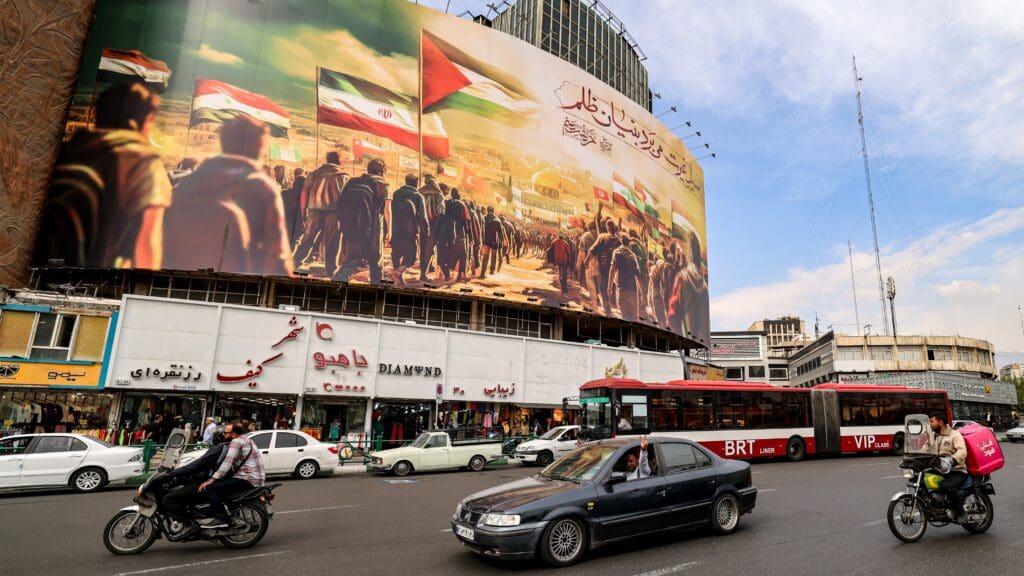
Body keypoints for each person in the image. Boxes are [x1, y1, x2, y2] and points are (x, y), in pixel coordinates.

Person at [37, 82, 172, 269]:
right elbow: (148, 243)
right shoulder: (143, 162)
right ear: (146, 119)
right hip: (99, 275)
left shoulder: (66, 150)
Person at [164, 115, 293, 276]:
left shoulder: (186, 184)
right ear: (258, 147)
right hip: (241, 282)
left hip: (178, 276)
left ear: (224, 142)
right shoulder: (263, 189)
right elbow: (278, 252)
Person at [198, 421, 265, 529]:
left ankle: (221, 518)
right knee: (222, 484)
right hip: (255, 478)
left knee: (210, 488)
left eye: (226, 433)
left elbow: (227, 463)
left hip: (247, 478)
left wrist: (211, 479)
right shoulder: (247, 439)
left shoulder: (236, 442)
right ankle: (231, 511)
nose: (224, 435)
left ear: (234, 433)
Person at [335, 158, 389, 284]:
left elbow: (340, 203)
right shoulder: (382, 184)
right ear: (382, 172)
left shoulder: (352, 181)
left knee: (352, 259)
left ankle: (338, 280)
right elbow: (387, 209)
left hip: (351, 227)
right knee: (376, 262)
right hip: (374, 227)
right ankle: (376, 287)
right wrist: (389, 231)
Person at [293, 152, 348, 275]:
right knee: (332, 243)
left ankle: (294, 264)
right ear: (339, 161)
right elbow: (346, 199)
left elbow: (304, 193)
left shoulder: (314, 173)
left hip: (314, 212)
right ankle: (331, 269)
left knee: (307, 240)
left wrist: (303, 213)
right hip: (334, 215)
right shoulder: (343, 176)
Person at [162, 427, 230, 522]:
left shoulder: (218, 449)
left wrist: (171, 473)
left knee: (169, 499)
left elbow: (196, 465)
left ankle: (187, 525)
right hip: (216, 481)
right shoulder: (227, 447)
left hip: (210, 483)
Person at [929, 410, 968, 522]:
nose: (930, 424)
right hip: (940, 470)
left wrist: (951, 460)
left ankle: (959, 512)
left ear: (940, 422)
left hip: (957, 471)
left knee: (946, 486)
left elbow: (962, 452)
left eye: (932, 421)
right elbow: (924, 449)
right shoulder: (933, 436)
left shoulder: (955, 435)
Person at [390, 174, 428, 285]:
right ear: (415, 182)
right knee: (412, 256)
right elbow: (423, 216)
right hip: (410, 230)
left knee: (396, 252)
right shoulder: (418, 196)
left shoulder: (397, 193)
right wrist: (426, 229)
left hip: (395, 227)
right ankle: (398, 272)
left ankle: (398, 277)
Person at [609, 234, 643, 322]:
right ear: (629, 244)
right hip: (633, 290)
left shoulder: (616, 253)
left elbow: (612, 270)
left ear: (621, 241)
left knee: (624, 317)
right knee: (634, 318)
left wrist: (609, 288)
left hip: (621, 288)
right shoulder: (633, 256)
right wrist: (643, 294)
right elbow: (638, 275)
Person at [418, 174, 445, 281]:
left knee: (423, 249)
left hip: (422, 226)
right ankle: (423, 274)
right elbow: (441, 212)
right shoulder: (439, 194)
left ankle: (422, 273)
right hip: (433, 226)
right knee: (429, 250)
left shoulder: (420, 193)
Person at [479, 206, 503, 278]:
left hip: (485, 241)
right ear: (493, 211)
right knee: (493, 257)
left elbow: (481, 229)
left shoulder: (483, 218)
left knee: (485, 257)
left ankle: (482, 273)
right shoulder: (497, 220)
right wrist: (500, 243)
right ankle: (492, 271)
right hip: (494, 241)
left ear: (487, 210)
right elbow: (500, 233)